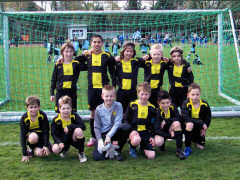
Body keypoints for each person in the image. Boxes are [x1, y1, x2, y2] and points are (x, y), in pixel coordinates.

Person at [81, 34, 116, 147]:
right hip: (92, 88)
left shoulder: (107, 56)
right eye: (94, 42)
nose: (96, 44)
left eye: (99, 42)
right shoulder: (87, 55)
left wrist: (114, 86)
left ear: (102, 43)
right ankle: (94, 137)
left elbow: (113, 72)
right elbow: (75, 62)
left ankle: (108, 135)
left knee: (106, 113)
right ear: (91, 43)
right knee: (93, 113)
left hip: (104, 89)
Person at [92, 85, 131, 161]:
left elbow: (117, 123)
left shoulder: (118, 106)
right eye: (106, 96)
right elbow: (97, 127)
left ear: (115, 96)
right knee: (98, 157)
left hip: (114, 132)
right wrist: (100, 140)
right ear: (102, 96)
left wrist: (109, 135)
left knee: (126, 127)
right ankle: (108, 148)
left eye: (111, 96)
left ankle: (117, 150)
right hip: (104, 134)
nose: (109, 98)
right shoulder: (99, 109)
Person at [50, 42, 87, 113]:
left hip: (71, 92)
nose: (69, 54)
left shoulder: (76, 63)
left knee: (72, 112)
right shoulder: (58, 64)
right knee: (60, 112)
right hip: (60, 92)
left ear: (73, 52)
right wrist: (52, 93)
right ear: (62, 52)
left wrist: (87, 51)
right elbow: (53, 79)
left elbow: (89, 61)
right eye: (66, 51)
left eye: (71, 51)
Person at [123, 82, 156, 159]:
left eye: (146, 94)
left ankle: (142, 146)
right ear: (138, 94)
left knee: (151, 156)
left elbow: (153, 123)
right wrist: (131, 130)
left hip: (146, 133)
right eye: (142, 94)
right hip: (135, 131)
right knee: (136, 140)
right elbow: (125, 120)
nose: (144, 97)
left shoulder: (152, 108)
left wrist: (152, 136)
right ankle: (132, 147)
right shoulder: (132, 105)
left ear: (149, 95)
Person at [51, 96, 87, 163]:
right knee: (55, 149)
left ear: (71, 109)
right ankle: (65, 149)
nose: (66, 110)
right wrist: (59, 142)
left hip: (73, 138)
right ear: (59, 109)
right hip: (62, 140)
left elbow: (83, 126)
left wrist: (70, 126)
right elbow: (53, 134)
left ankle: (81, 153)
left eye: (68, 108)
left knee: (78, 130)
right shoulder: (56, 120)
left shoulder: (74, 115)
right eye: (63, 108)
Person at [154, 90, 186, 160]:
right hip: (162, 132)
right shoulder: (156, 112)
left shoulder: (173, 107)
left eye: (167, 102)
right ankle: (162, 145)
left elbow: (179, 118)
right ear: (158, 103)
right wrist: (168, 135)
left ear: (170, 101)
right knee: (158, 142)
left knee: (177, 124)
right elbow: (156, 130)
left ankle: (179, 150)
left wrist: (166, 120)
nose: (165, 105)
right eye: (163, 103)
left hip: (170, 129)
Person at [182, 83, 211, 157]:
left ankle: (197, 142)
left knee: (201, 144)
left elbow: (208, 118)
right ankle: (188, 146)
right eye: (193, 94)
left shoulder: (205, 105)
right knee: (189, 124)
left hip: (199, 126)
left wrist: (204, 128)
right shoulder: (186, 104)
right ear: (188, 95)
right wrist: (201, 122)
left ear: (200, 94)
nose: (195, 97)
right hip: (187, 125)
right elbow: (186, 118)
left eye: (197, 94)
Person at [115, 42, 145, 113]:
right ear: (123, 51)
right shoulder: (118, 62)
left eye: (131, 51)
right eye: (127, 51)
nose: (129, 53)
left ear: (133, 52)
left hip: (132, 91)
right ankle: (120, 123)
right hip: (121, 91)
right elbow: (109, 59)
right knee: (120, 111)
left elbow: (148, 58)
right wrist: (115, 57)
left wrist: (147, 56)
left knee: (132, 111)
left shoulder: (135, 61)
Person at [20, 95, 50, 163]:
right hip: (32, 137)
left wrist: (45, 145)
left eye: (35, 107)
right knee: (33, 137)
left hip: (41, 137)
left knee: (40, 154)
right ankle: (30, 149)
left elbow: (46, 131)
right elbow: (22, 135)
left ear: (39, 107)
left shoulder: (42, 116)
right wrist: (24, 153)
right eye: (31, 107)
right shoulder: (24, 118)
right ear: (27, 108)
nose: (33, 109)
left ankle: (47, 145)